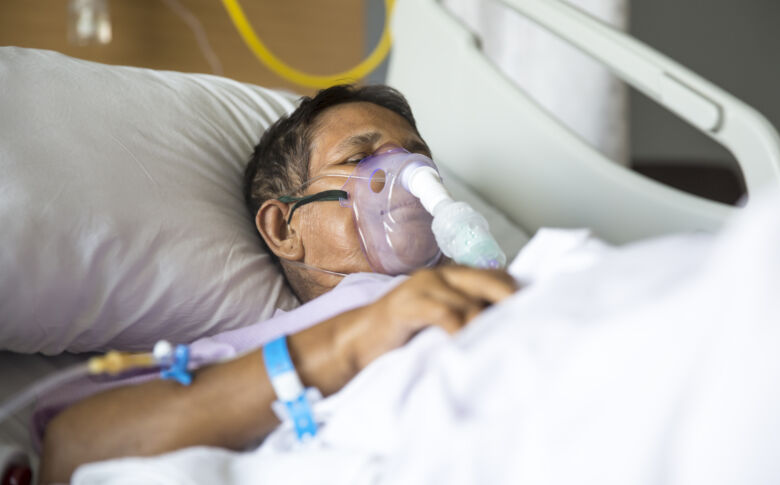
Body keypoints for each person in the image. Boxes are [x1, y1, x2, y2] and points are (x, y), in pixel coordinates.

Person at [39, 85, 516, 483]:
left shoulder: (492, 275)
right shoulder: (282, 342)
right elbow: (73, 447)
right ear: (285, 230)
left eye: (416, 156)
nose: (408, 176)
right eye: (360, 157)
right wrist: (350, 341)